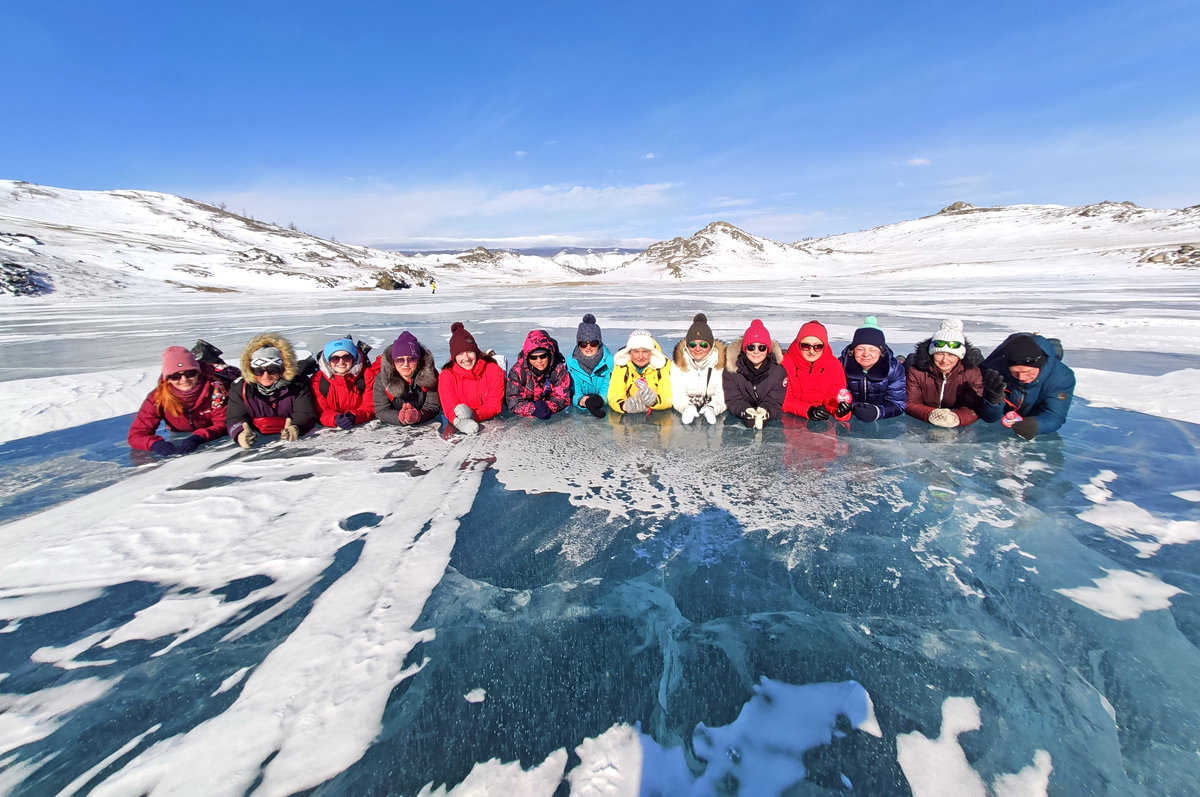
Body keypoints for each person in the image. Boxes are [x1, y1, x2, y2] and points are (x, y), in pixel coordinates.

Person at [127, 345, 234, 455]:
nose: (184, 380)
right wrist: (154, 444)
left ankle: (212, 358)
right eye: (175, 376)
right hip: (179, 432)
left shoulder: (217, 391)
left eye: (190, 373)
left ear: (198, 372)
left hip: (206, 436)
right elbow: (136, 434)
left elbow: (223, 423)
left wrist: (199, 437)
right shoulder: (158, 397)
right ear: (167, 379)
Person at [226, 333, 318, 448]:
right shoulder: (240, 388)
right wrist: (240, 433)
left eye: (272, 370)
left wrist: (297, 427)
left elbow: (305, 413)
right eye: (259, 371)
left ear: (282, 369)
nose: (265, 375)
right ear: (251, 370)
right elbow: (235, 418)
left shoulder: (298, 384)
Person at [978, 333, 1075, 440]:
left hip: (1034, 414)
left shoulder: (1062, 377)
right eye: (1015, 372)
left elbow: (1055, 415)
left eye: (1028, 372)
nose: (1021, 377)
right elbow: (989, 417)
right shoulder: (994, 370)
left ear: (1040, 366)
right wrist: (993, 402)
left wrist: (1037, 425)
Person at [906, 319, 984, 428]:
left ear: (960, 356)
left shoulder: (972, 373)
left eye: (951, 355)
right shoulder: (916, 371)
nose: (944, 360)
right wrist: (931, 414)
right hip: (927, 414)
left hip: (954, 413)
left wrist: (956, 418)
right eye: (940, 354)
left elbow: (973, 407)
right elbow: (911, 402)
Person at [438, 322, 506, 434]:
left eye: (469, 352)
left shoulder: (494, 371)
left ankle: (496, 357)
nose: (466, 358)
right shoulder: (446, 376)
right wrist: (457, 422)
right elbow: (449, 408)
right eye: (460, 354)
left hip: (487, 418)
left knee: (501, 368)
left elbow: (494, 405)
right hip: (463, 420)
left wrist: (473, 414)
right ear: (454, 357)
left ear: (475, 351)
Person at [839, 316, 906, 422]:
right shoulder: (841, 365)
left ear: (881, 352)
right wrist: (855, 406)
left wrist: (878, 411)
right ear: (852, 351)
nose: (866, 354)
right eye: (860, 349)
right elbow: (838, 394)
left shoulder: (893, 369)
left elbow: (898, 403)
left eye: (872, 350)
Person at [723, 319, 787, 429]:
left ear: (768, 350)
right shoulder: (732, 371)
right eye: (751, 347)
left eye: (762, 347)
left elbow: (775, 401)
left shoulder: (778, 372)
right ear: (745, 349)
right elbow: (733, 399)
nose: (756, 352)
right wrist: (744, 411)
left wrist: (766, 412)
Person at [781, 320, 850, 422]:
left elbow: (832, 398)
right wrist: (808, 410)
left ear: (824, 346)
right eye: (806, 346)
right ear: (798, 344)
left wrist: (839, 410)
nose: (811, 351)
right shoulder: (784, 364)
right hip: (789, 421)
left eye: (818, 347)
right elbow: (784, 399)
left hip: (820, 425)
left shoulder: (834, 366)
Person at [374, 330, 440, 427]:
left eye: (411, 359)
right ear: (393, 362)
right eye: (400, 360)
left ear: (418, 360)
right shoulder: (383, 378)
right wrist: (399, 417)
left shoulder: (430, 375)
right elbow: (381, 410)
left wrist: (419, 416)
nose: (406, 364)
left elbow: (433, 406)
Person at [671, 313, 726, 424]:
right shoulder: (678, 364)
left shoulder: (721, 364)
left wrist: (712, 408)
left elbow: (723, 396)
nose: (697, 349)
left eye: (703, 345)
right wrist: (686, 407)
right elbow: (677, 394)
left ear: (711, 345)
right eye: (692, 344)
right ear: (687, 345)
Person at [312, 337, 378, 429]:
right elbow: (320, 412)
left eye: (346, 357)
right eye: (335, 358)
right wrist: (334, 419)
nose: (341, 362)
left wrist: (354, 416)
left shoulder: (367, 376)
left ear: (353, 358)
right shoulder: (317, 380)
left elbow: (370, 406)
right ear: (328, 360)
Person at [506, 329, 573, 419]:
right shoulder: (517, 371)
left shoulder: (558, 370)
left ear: (549, 355)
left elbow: (563, 398)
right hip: (526, 420)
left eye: (543, 356)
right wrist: (533, 409)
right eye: (533, 357)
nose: (539, 361)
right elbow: (513, 401)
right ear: (527, 357)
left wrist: (547, 407)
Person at [608, 329, 673, 414]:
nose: (641, 357)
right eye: (636, 352)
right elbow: (614, 394)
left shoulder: (663, 365)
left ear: (652, 352)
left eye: (645, 352)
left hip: (657, 418)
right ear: (630, 352)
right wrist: (624, 405)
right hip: (630, 418)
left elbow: (668, 398)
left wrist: (653, 401)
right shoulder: (622, 366)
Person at [565, 314, 613, 418]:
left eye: (593, 343)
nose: (588, 347)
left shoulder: (610, 362)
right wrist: (582, 401)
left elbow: (608, 389)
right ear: (578, 344)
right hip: (581, 417)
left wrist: (599, 401)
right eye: (583, 344)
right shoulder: (571, 363)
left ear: (599, 342)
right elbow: (575, 391)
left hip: (603, 406)